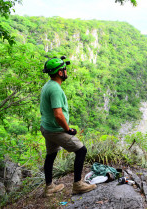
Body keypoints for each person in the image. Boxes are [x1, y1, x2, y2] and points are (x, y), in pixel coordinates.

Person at [40, 56, 96, 197]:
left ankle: (49, 187)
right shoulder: (56, 89)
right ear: (60, 73)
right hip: (55, 130)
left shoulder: (48, 85)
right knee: (81, 150)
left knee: (51, 155)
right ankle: (78, 184)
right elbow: (58, 115)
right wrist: (68, 130)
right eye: (64, 69)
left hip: (46, 128)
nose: (66, 72)